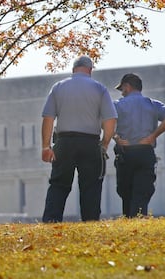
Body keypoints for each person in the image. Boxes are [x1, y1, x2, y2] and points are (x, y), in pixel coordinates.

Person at [40, 55, 117, 222]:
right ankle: (90, 222)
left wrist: (46, 147)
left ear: (73, 69)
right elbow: (110, 120)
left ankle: (51, 220)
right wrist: (104, 144)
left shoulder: (58, 87)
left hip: (64, 141)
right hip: (90, 142)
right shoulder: (99, 88)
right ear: (90, 70)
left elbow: (48, 118)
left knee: (59, 184)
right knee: (91, 186)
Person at [112, 73, 165, 218]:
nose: (121, 92)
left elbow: (104, 121)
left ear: (127, 87)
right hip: (145, 151)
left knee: (125, 190)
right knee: (142, 190)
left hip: (125, 152)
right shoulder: (152, 104)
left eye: (122, 89)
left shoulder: (117, 105)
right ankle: (138, 219)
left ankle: (129, 219)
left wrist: (115, 137)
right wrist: (153, 136)